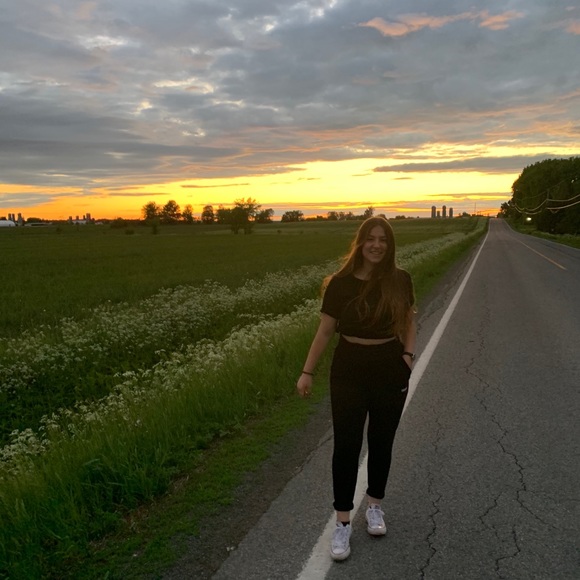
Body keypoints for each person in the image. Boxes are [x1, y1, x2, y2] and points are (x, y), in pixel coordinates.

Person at [296, 216, 417, 561]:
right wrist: (307, 372)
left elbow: (409, 321)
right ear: (361, 243)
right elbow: (325, 331)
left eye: (383, 240)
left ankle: (374, 506)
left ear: (390, 246)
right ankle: (343, 521)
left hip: (390, 368)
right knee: (346, 446)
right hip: (348, 369)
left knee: (381, 441)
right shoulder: (340, 283)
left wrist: (407, 358)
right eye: (371, 239)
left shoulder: (400, 279)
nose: (377, 245)